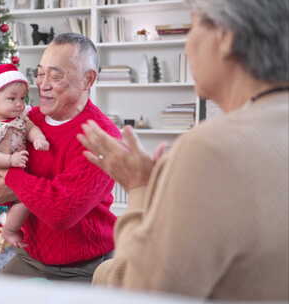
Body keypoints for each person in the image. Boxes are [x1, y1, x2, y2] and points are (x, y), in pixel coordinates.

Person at [78, 0, 289, 300]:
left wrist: (138, 188)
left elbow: (140, 293)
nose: (187, 48)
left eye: (191, 28)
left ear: (225, 36)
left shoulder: (210, 150)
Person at [0, 33, 121, 282]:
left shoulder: (102, 136)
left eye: (56, 76)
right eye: (40, 73)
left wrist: (12, 175)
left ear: (87, 80)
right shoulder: (28, 121)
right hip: (30, 256)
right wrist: (42, 191)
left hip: (86, 266)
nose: (43, 84)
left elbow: (60, 213)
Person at [0, 64, 49, 248]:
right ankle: (8, 230)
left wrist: (38, 138)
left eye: (22, 98)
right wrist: (10, 161)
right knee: (27, 197)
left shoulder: (20, 114)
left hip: (16, 169)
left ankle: (12, 227)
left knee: (27, 200)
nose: (19, 103)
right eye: (12, 98)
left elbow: (30, 127)